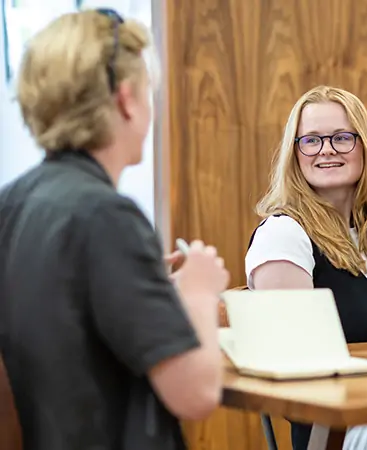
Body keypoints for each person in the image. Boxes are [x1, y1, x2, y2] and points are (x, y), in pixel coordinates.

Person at [0, 9, 228, 450]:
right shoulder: (107, 215)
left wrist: (145, 285)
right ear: (125, 100)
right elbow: (196, 394)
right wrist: (199, 291)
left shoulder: (11, 203)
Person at [245, 85, 367, 450]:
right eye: (311, 140)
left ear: (364, 147)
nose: (326, 150)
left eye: (341, 137)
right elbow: (299, 375)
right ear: (295, 153)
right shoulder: (284, 234)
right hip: (337, 434)